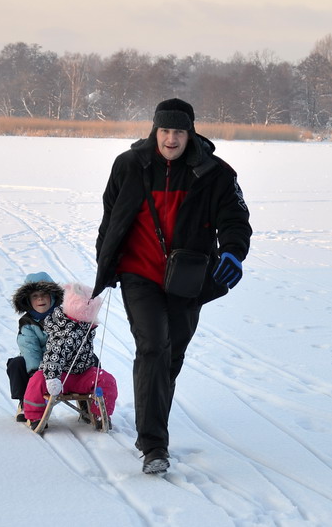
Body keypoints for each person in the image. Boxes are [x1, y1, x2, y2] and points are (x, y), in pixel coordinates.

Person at [92, 98, 252, 474]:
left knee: (171, 356)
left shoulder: (214, 172)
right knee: (152, 348)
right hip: (138, 273)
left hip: (188, 276)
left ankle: (153, 426)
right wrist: (106, 259)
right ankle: (153, 445)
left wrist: (233, 252)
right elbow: (111, 216)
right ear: (155, 130)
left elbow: (235, 218)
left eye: (178, 131)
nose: (171, 139)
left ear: (190, 133)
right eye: (165, 130)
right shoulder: (129, 165)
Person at [23, 282, 118, 430]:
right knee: (37, 380)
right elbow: (53, 355)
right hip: (59, 377)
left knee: (106, 380)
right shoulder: (62, 328)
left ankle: (100, 414)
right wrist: (52, 377)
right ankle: (35, 415)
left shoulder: (87, 327)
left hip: (82, 375)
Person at [7, 272, 64, 423]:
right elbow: (30, 349)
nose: (40, 299)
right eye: (35, 296)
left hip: (62, 364)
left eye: (44, 294)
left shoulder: (64, 317)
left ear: (53, 296)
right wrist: (36, 373)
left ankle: (87, 402)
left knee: (91, 360)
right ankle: (25, 401)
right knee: (17, 364)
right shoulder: (27, 323)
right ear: (28, 300)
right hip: (37, 366)